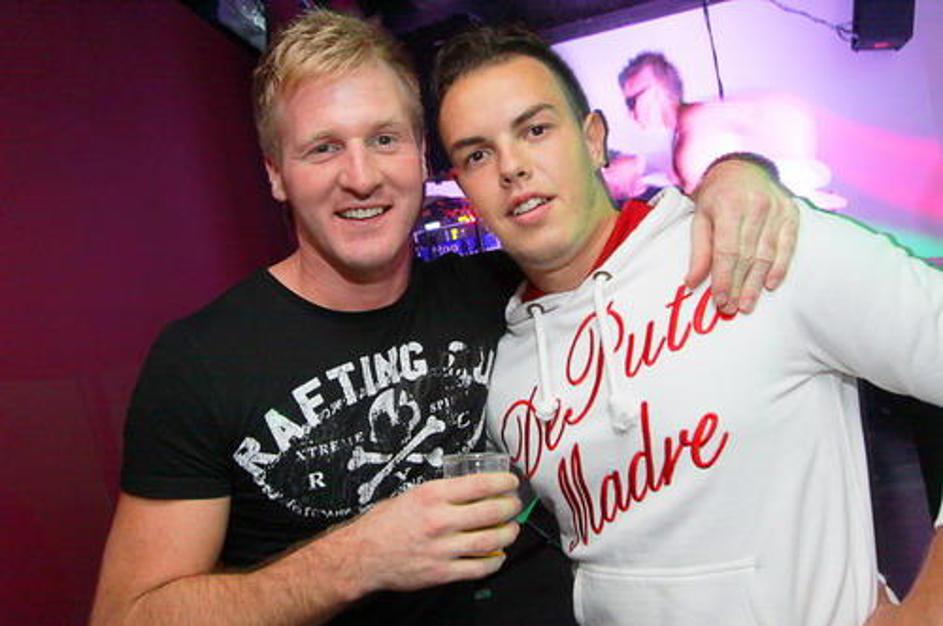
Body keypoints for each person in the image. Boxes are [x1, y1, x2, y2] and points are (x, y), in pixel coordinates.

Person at [89, 9, 800, 626]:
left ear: (421, 156)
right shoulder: (201, 362)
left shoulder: (499, 288)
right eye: (323, 148)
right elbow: (128, 615)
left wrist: (735, 172)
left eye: (384, 139)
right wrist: (356, 559)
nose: (361, 177)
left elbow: (609, 230)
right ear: (276, 173)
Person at [433, 25, 943, 626]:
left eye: (535, 130)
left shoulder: (754, 242)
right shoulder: (508, 373)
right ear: (463, 186)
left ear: (593, 139)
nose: (512, 167)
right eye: (477, 154)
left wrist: (927, 611)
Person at [608, 51, 845, 209]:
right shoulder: (689, 131)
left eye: (632, 101)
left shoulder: (694, 132)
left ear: (654, 92)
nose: (631, 113)